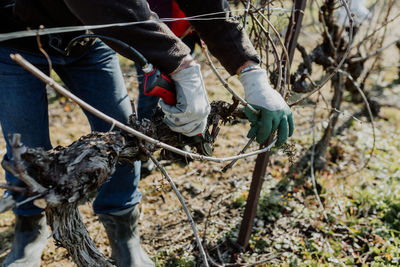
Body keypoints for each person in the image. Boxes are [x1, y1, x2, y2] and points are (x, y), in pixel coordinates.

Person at [0, 1, 294, 266]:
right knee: (24, 145)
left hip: (89, 39)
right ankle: (28, 230)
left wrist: (250, 69)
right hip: (13, 38)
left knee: (122, 132)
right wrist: (181, 63)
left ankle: (124, 234)